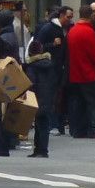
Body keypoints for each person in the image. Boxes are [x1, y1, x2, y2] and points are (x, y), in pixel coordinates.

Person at [66, 5, 95, 138]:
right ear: (90, 15)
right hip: (89, 73)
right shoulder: (89, 32)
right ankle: (93, 129)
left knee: (78, 103)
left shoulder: (72, 31)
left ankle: (78, 130)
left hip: (75, 73)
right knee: (92, 103)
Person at [34, 7, 71, 135]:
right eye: (68, 17)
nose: (70, 20)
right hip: (50, 68)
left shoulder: (65, 29)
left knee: (58, 96)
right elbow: (36, 46)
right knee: (51, 96)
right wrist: (52, 45)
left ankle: (58, 124)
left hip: (59, 67)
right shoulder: (48, 28)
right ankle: (52, 124)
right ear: (61, 15)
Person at [24, 34, 56, 158]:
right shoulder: (49, 65)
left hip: (37, 98)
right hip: (48, 97)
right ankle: (41, 149)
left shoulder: (32, 67)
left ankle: (40, 150)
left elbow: (30, 83)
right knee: (43, 124)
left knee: (39, 124)